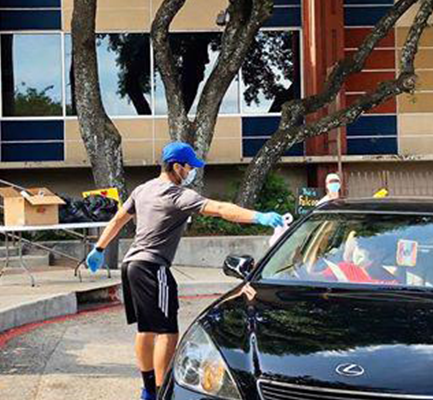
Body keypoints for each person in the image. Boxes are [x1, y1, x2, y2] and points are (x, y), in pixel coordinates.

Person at [84, 142, 284, 400]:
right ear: (177, 167)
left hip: (131, 265)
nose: (191, 172)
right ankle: (159, 390)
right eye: (189, 167)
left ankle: (148, 389)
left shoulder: (142, 190)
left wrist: (98, 248)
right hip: (154, 267)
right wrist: (259, 216)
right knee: (167, 331)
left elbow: (118, 220)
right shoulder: (177, 195)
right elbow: (222, 209)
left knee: (145, 330)